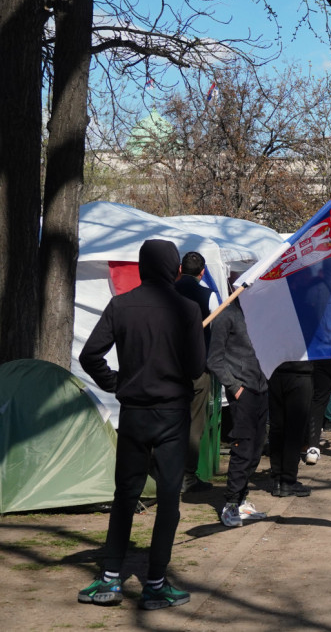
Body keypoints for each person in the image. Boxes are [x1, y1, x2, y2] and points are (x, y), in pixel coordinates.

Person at [78, 239, 204, 610]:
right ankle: (156, 583)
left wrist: (115, 381)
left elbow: (89, 355)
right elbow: (196, 368)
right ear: (174, 269)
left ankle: (111, 579)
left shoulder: (122, 305)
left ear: (142, 268)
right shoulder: (187, 309)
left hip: (133, 412)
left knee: (126, 495)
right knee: (168, 498)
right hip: (171, 414)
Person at [208, 297, 270, 527]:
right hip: (242, 392)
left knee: (255, 450)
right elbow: (214, 359)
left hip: (261, 389)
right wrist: (235, 387)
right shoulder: (226, 314)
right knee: (242, 448)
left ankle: (242, 499)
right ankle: (231, 504)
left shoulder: (258, 315)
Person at [173, 251, 214, 494]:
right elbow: (217, 331)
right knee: (194, 422)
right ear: (202, 272)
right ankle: (187, 476)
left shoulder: (169, 292)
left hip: (171, 367)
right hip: (199, 368)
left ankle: (166, 471)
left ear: (180, 269)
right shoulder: (207, 296)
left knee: (170, 418)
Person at [267, 361, 313, 496]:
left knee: (277, 428)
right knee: (295, 431)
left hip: (276, 371)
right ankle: (288, 480)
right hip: (300, 372)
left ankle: (278, 479)